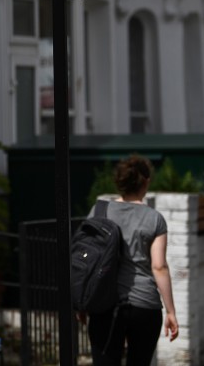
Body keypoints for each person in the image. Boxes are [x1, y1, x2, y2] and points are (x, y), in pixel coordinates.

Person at [77, 154, 179, 365]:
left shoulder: (98, 211)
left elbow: (86, 261)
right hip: (144, 306)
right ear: (146, 182)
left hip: (105, 304)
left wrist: (82, 302)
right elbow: (159, 266)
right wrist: (170, 311)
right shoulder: (154, 218)